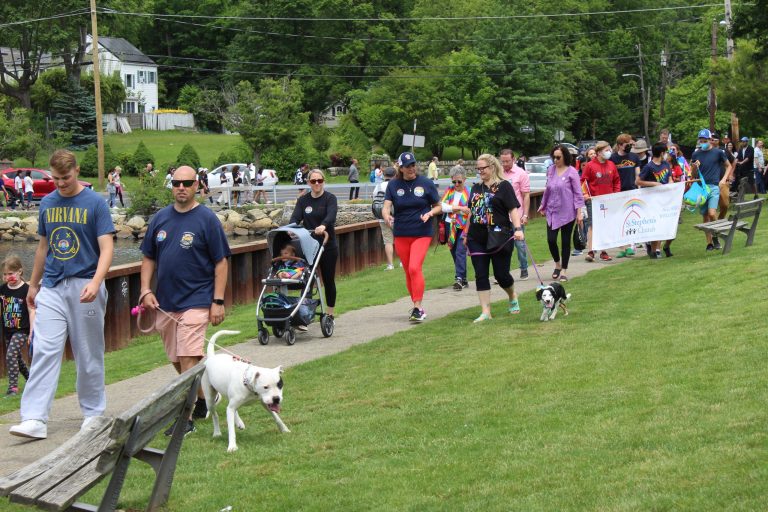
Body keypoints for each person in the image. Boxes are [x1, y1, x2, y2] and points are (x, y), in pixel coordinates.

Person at [9, 150, 115, 440]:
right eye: (55, 178)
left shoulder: (95, 203)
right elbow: (43, 247)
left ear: (77, 171)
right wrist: (32, 285)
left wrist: (96, 282)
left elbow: (107, 247)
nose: (60, 184)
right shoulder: (48, 202)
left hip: (86, 284)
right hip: (52, 286)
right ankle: (34, 418)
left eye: (65, 178)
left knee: (88, 351)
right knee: (43, 349)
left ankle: (93, 413)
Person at [140, 165, 231, 436]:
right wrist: (145, 289)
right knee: (177, 360)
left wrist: (217, 300)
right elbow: (148, 258)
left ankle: (184, 419)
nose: (181, 187)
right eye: (177, 183)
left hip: (198, 299)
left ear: (196, 186)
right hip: (165, 303)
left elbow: (221, 262)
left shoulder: (207, 219)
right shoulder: (160, 219)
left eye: (187, 183)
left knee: (188, 357)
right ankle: (204, 399)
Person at [465, 154, 524, 323]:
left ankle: (512, 295)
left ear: (492, 167)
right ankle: (486, 312)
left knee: (501, 274)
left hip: (500, 235)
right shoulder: (476, 188)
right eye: (478, 169)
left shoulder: (504, 186)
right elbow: (472, 212)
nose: (480, 171)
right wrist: (466, 234)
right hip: (477, 237)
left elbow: (512, 209)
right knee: (481, 274)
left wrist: (518, 229)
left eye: (482, 168)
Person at [382, 152, 440, 322]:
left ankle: (418, 307)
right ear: (400, 168)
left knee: (415, 268)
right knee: (408, 271)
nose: (412, 168)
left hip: (422, 232)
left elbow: (438, 206)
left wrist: (429, 213)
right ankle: (415, 305)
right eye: (408, 166)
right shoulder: (393, 185)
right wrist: (386, 216)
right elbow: (386, 207)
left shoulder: (426, 183)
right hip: (401, 232)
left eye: (413, 164)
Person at [290, 169, 339, 319]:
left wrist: (323, 225)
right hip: (309, 245)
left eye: (319, 181)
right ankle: (305, 313)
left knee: (328, 279)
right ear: (309, 183)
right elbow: (295, 217)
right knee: (307, 279)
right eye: (313, 181)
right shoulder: (303, 200)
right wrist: (291, 228)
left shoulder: (330, 198)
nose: (317, 183)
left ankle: (329, 313)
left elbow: (331, 215)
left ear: (323, 181)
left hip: (327, 244)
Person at [538, 145, 584, 282]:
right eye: (554, 157)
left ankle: (564, 270)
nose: (556, 160)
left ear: (565, 157)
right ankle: (557, 264)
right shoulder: (551, 170)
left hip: (567, 212)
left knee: (565, 241)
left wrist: (579, 212)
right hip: (552, 211)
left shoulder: (572, 172)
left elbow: (578, 194)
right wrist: (543, 205)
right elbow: (548, 189)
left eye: (558, 157)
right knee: (551, 240)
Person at [690, 129, 733, 251]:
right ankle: (709, 243)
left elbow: (729, 165)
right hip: (702, 187)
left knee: (712, 213)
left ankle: (716, 234)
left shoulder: (718, 152)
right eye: (701, 140)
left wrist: (723, 179)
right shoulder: (696, 154)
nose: (703, 142)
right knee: (705, 216)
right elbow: (693, 175)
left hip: (714, 186)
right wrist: (694, 167)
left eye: (705, 140)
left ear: (710, 140)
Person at [580, 140, 621, 262]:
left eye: (609, 149)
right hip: (593, 200)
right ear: (598, 152)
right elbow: (583, 181)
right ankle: (591, 251)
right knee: (593, 225)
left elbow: (617, 181)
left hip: (608, 200)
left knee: (605, 226)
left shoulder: (611, 165)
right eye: (606, 150)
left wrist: (616, 194)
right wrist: (585, 194)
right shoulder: (590, 165)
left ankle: (604, 251)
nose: (609, 152)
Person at [1, 255, 34, 396]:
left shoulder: (26, 290)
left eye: (11, 273)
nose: (8, 277)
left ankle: (13, 388)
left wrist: (32, 331)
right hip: (8, 329)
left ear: (19, 272)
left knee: (11, 355)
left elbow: (32, 310)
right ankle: (31, 379)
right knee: (17, 358)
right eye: (5, 274)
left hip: (22, 330)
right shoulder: (2, 290)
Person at [636, 142, 675, 258]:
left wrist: (671, 184)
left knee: (668, 224)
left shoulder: (666, 164)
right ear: (662, 153)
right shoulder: (649, 167)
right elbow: (638, 181)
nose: (667, 154)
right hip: (652, 200)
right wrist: (653, 183)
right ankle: (655, 250)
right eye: (666, 152)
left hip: (666, 199)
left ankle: (663, 247)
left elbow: (670, 178)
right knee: (657, 224)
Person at [500, 149, 530, 280]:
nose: (505, 164)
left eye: (507, 161)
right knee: (502, 245)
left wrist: (525, 215)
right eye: (503, 161)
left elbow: (526, 195)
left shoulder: (521, 173)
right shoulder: (499, 173)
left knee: (519, 244)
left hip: (516, 215)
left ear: (513, 159)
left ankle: (524, 268)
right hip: (501, 215)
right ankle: (503, 272)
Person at [439, 165, 470, 290]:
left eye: (459, 181)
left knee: (460, 251)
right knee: (453, 251)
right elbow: (442, 206)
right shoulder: (449, 190)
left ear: (465, 179)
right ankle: (464, 278)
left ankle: (459, 278)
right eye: (454, 181)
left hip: (463, 226)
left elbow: (469, 211)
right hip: (449, 224)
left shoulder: (469, 192)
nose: (456, 184)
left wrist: (453, 208)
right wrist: (461, 209)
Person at [610, 134, 641, 257]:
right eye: (626, 145)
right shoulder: (612, 159)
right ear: (619, 145)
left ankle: (631, 245)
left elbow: (637, 174)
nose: (629, 147)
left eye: (630, 144)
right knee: (619, 220)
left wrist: (639, 189)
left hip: (632, 190)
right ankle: (622, 247)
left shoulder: (634, 157)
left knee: (631, 219)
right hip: (618, 193)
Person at [373, 166, 396, 270]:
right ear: (395, 175)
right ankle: (402, 262)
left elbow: (374, 199)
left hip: (382, 217)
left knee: (388, 241)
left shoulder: (378, 186)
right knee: (400, 239)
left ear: (384, 175)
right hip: (396, 216)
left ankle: (390, 265)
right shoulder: (395, 185)